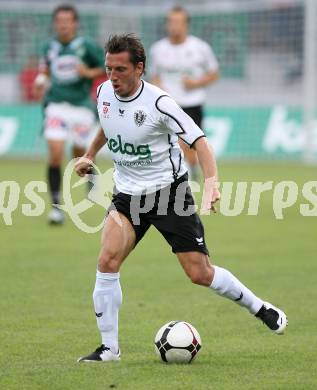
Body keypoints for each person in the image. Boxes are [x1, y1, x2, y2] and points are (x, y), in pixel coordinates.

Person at [75, 34, 287, 363]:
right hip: (127, 195)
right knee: (107, 261)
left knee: (199, 273)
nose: (112, 76)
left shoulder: (160, 103)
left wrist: (212, 183)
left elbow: (200, 142)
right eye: (108, 68)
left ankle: (259, 307)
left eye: (120, 69)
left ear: (139, 68)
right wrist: (90, 153)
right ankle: (109, 349)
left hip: (168, 195)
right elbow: (108, 124)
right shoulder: (104, 92)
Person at [33, 4, 106, 224]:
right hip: (56, 105)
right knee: (55, 154)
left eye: (67, 21)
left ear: (75, 23)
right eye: (60, 21)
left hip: (81, 107)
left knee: (80, 155)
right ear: (55, 23)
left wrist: (89, 72)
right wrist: (40, 81)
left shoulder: (86, 46)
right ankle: (56, 208)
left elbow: (106, 66)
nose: (63, 25)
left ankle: (91, 178)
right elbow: (45, 70)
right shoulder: (49, 47)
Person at [149, 6, 219, 181]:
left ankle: (191, 169)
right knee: (174, 143)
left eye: (179, 22)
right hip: (167, 105)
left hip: (192, 102)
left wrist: (196, 83)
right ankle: (178, 176)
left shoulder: (200, 47)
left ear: (186, 25)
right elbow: (154, 75)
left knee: (190, 145)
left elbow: (214, 74)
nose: (175, 26)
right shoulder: (158, 49)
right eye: (171, 22)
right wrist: (158, 87)